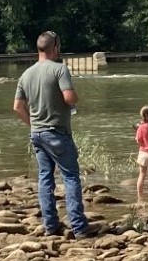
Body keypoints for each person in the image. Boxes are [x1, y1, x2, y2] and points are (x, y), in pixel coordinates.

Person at [12, 31, 100, 239]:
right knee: (70, 177)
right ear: (55, 48)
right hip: (57, 132)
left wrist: (32, 124)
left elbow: (17, 107)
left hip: (37, 134)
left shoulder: (26, 74)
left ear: (38, 49)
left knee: (45, 179)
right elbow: (69, 97)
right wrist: (77, 97)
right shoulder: (60, 69)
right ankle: (79, 227)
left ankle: (50, 225)